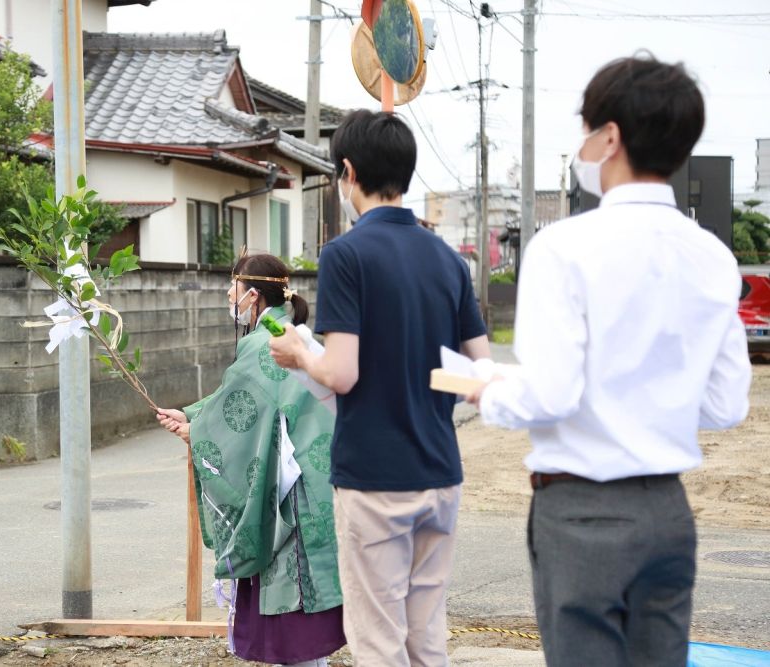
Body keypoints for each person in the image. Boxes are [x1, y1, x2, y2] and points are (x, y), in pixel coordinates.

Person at [467, 53, 752, 667]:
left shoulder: (565, 247)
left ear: (612, 136)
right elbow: (727, 405)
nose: (584, 145)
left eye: (588, 130)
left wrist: (486, 389)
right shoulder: (710, 256)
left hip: (583, 514)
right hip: (668, 512)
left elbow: (550, 395)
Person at [270, 110, 491, 666]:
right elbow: (478, 377)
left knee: (378, 639)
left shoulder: (346, 255)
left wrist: (299, 352)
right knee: (426, 637)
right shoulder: (447, 260)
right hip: (440, 472)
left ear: (348, 171)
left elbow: (342, 372)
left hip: (374, 478)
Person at [156, 253, 345, 667]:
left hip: (287, 494)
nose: (228, 293)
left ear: (253, 295)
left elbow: (244, 411)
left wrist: (198, 432)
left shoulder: (263, 342)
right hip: (314, 481)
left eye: (233, 287)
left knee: (289, 614)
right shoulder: (289, 331)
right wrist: (192, 415)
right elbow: (239, 398)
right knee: (305, 618)